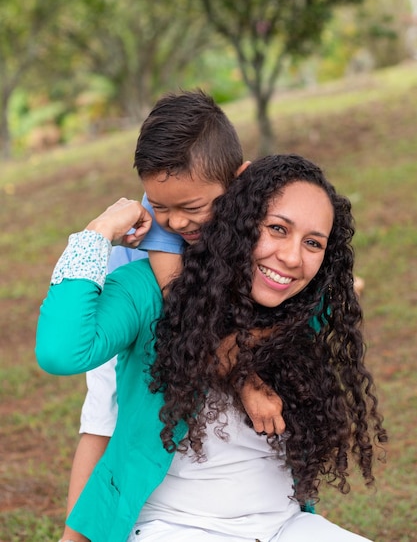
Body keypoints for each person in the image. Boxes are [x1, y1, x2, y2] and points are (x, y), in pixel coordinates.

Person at [36, 154, 387, 542]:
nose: (291, 258)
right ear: (238, 218)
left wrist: (240, 366)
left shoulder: (301, 304)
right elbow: (61, 351)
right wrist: (97, 232)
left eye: (313, 243)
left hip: (284, 525)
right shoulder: (147, 291)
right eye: (276, 228)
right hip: (172, 527)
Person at [59, 90, 284, 542]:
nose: (176, 222)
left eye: (191, 209)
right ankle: (76, 536)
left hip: (198, 311)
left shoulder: (254, 203)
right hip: (139, 313)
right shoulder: (166, 226)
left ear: (237, 182)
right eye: (160, 207)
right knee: (105, 420)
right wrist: (246, 382)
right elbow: (181, 308)